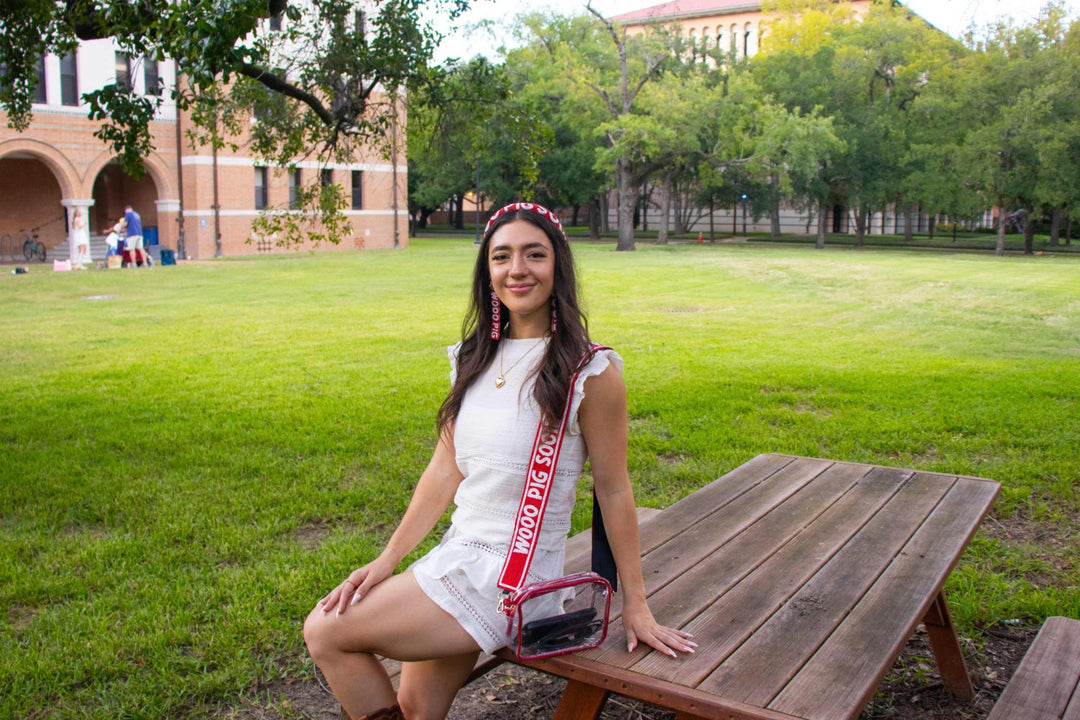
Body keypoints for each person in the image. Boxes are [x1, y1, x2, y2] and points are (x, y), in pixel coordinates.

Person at [303, 203, 695, 720]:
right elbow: (444, 470)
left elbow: (614, 489)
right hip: (458, 556)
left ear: (557, 267)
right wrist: (387, 560)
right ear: (487, 272)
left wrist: (636, 605)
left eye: (534, 254)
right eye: (501, 256)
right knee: (416, 709)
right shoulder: (471, 358)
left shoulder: (588, 371)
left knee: (325, 630)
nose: (517, 269)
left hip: (513, 578)